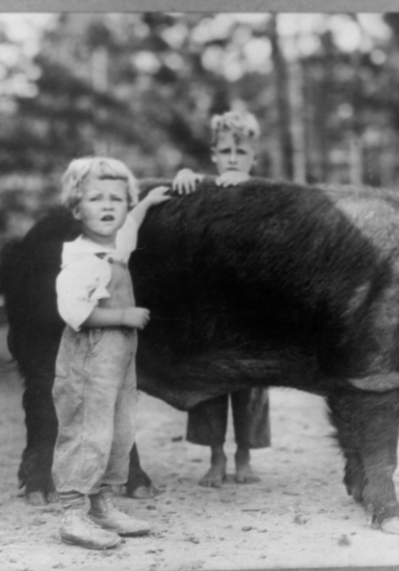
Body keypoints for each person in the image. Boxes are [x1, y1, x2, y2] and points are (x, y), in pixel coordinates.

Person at [52, 157, 170, 550]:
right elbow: (74, 312)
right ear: (75, 207)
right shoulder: (81, 261)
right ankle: (72, 512)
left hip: (118, 363)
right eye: (96, 198)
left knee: (119, 430)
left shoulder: (118, 245)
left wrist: (148, 201)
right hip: (88, 362)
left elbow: (132, 223)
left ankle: (101, 505)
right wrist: (123, 314)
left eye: (116, 200)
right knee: (88, 432)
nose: (107, 207)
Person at [171, 110, 272, 487]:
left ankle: (244, 456)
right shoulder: (203, 186)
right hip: (210, 306)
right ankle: (215, 457)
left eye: (241, 151)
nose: (232, 158)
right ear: (213, 153)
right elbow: (180, 204)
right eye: (225, 150)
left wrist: (243, 185)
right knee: (210, 384)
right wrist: (184, 178)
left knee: (250, 383)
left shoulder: (264, 193)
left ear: (254, 157)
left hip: (250, 306)